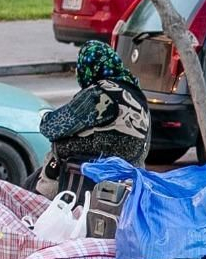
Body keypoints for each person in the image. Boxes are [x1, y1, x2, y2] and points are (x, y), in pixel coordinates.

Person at [34, 41, 151, 197]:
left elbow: (51, 127)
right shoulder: (134, 91)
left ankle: (43, 195)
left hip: (92, 172)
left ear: (87, 67)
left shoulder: (100, 93)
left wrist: (47, 117)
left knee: (58, 146)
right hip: (130, 170)